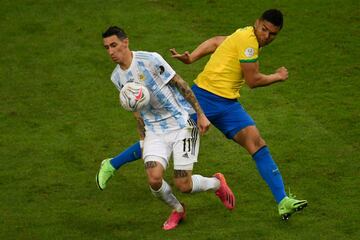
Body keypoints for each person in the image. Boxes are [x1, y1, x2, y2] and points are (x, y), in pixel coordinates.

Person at [97, 9, 307, 220]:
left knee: (257, 145)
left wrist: (193, 57)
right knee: (162, 134)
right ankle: (112, 164)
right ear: (257, 23)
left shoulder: (244, 34)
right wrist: (278, 76)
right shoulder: (249, 40)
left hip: (227, 104)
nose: (266, 36)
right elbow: (253, 81)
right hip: (204, 97)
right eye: (264, 30)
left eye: (272, 34)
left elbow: (217, 42)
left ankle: (283, 201)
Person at [98, 26, 235, 230]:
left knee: (184, 185)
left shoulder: (150, 60)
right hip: (155, 131)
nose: (110, 51)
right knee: (154, 179)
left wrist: (201, 114)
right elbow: (136, 111)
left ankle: (216, 183)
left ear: (125, 42)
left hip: (182, 123)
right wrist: (143, 140)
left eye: (114, 45)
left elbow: (180, 83)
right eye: (107, 47)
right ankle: (178, 210)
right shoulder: (116, 78)